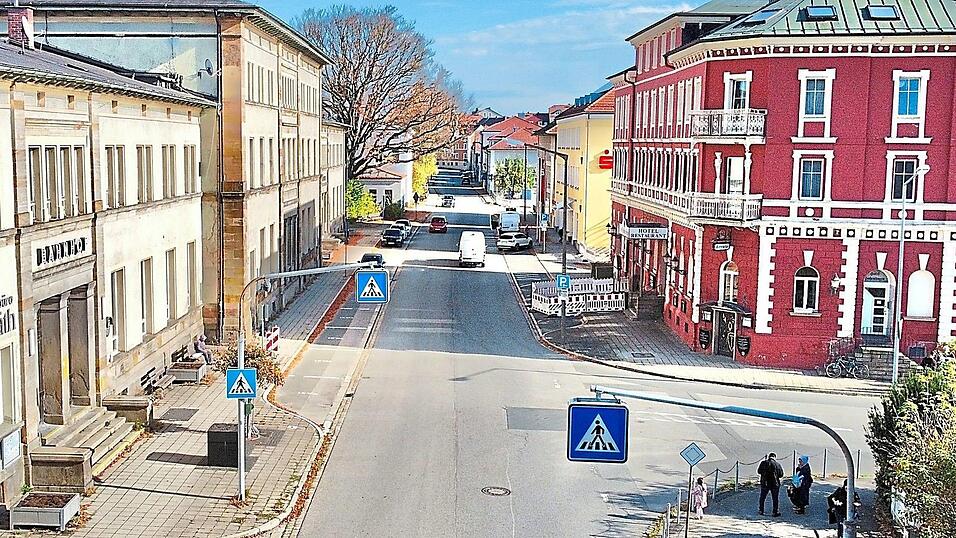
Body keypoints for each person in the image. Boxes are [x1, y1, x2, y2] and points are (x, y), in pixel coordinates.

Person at [757, 452, 784, 516]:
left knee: (762, 497)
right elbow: (781, 474)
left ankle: (761, 510)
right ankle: (775, 512)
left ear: (769, 456)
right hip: (774, 483)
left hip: (765, 482)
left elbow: (759, 471)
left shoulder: (763, 463)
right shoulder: (778, 464)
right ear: (775, 457)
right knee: (775, 498)